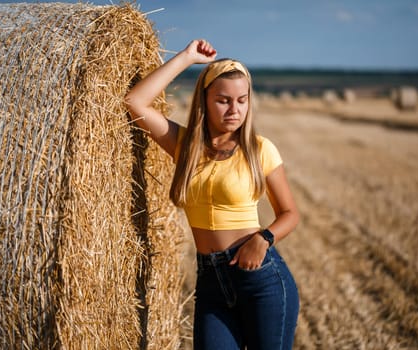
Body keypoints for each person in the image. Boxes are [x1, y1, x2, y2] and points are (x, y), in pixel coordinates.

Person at [125, 39, 300, 350]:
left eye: (242, 100)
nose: (234, 110)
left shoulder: (260, 150)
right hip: (210, 281)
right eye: (223, 100)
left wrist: (263, 240)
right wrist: (187, 58)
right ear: (204, 100)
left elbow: (290, 213)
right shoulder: (186, 146)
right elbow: (135, 102)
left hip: (260, 278)